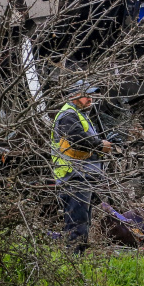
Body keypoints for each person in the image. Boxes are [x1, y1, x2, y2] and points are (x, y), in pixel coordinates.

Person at [51, 80, 112, 254]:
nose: (90, 99)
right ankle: (74, 264)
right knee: (77, 224)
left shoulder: (78, 114)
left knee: (80, 222)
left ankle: (74, 260)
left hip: (80, 176)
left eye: (91, 95)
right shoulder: (68, 115)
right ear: (73, 95)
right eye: (86, 95)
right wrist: (100, 145)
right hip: (74, 176)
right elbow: (77, 139)